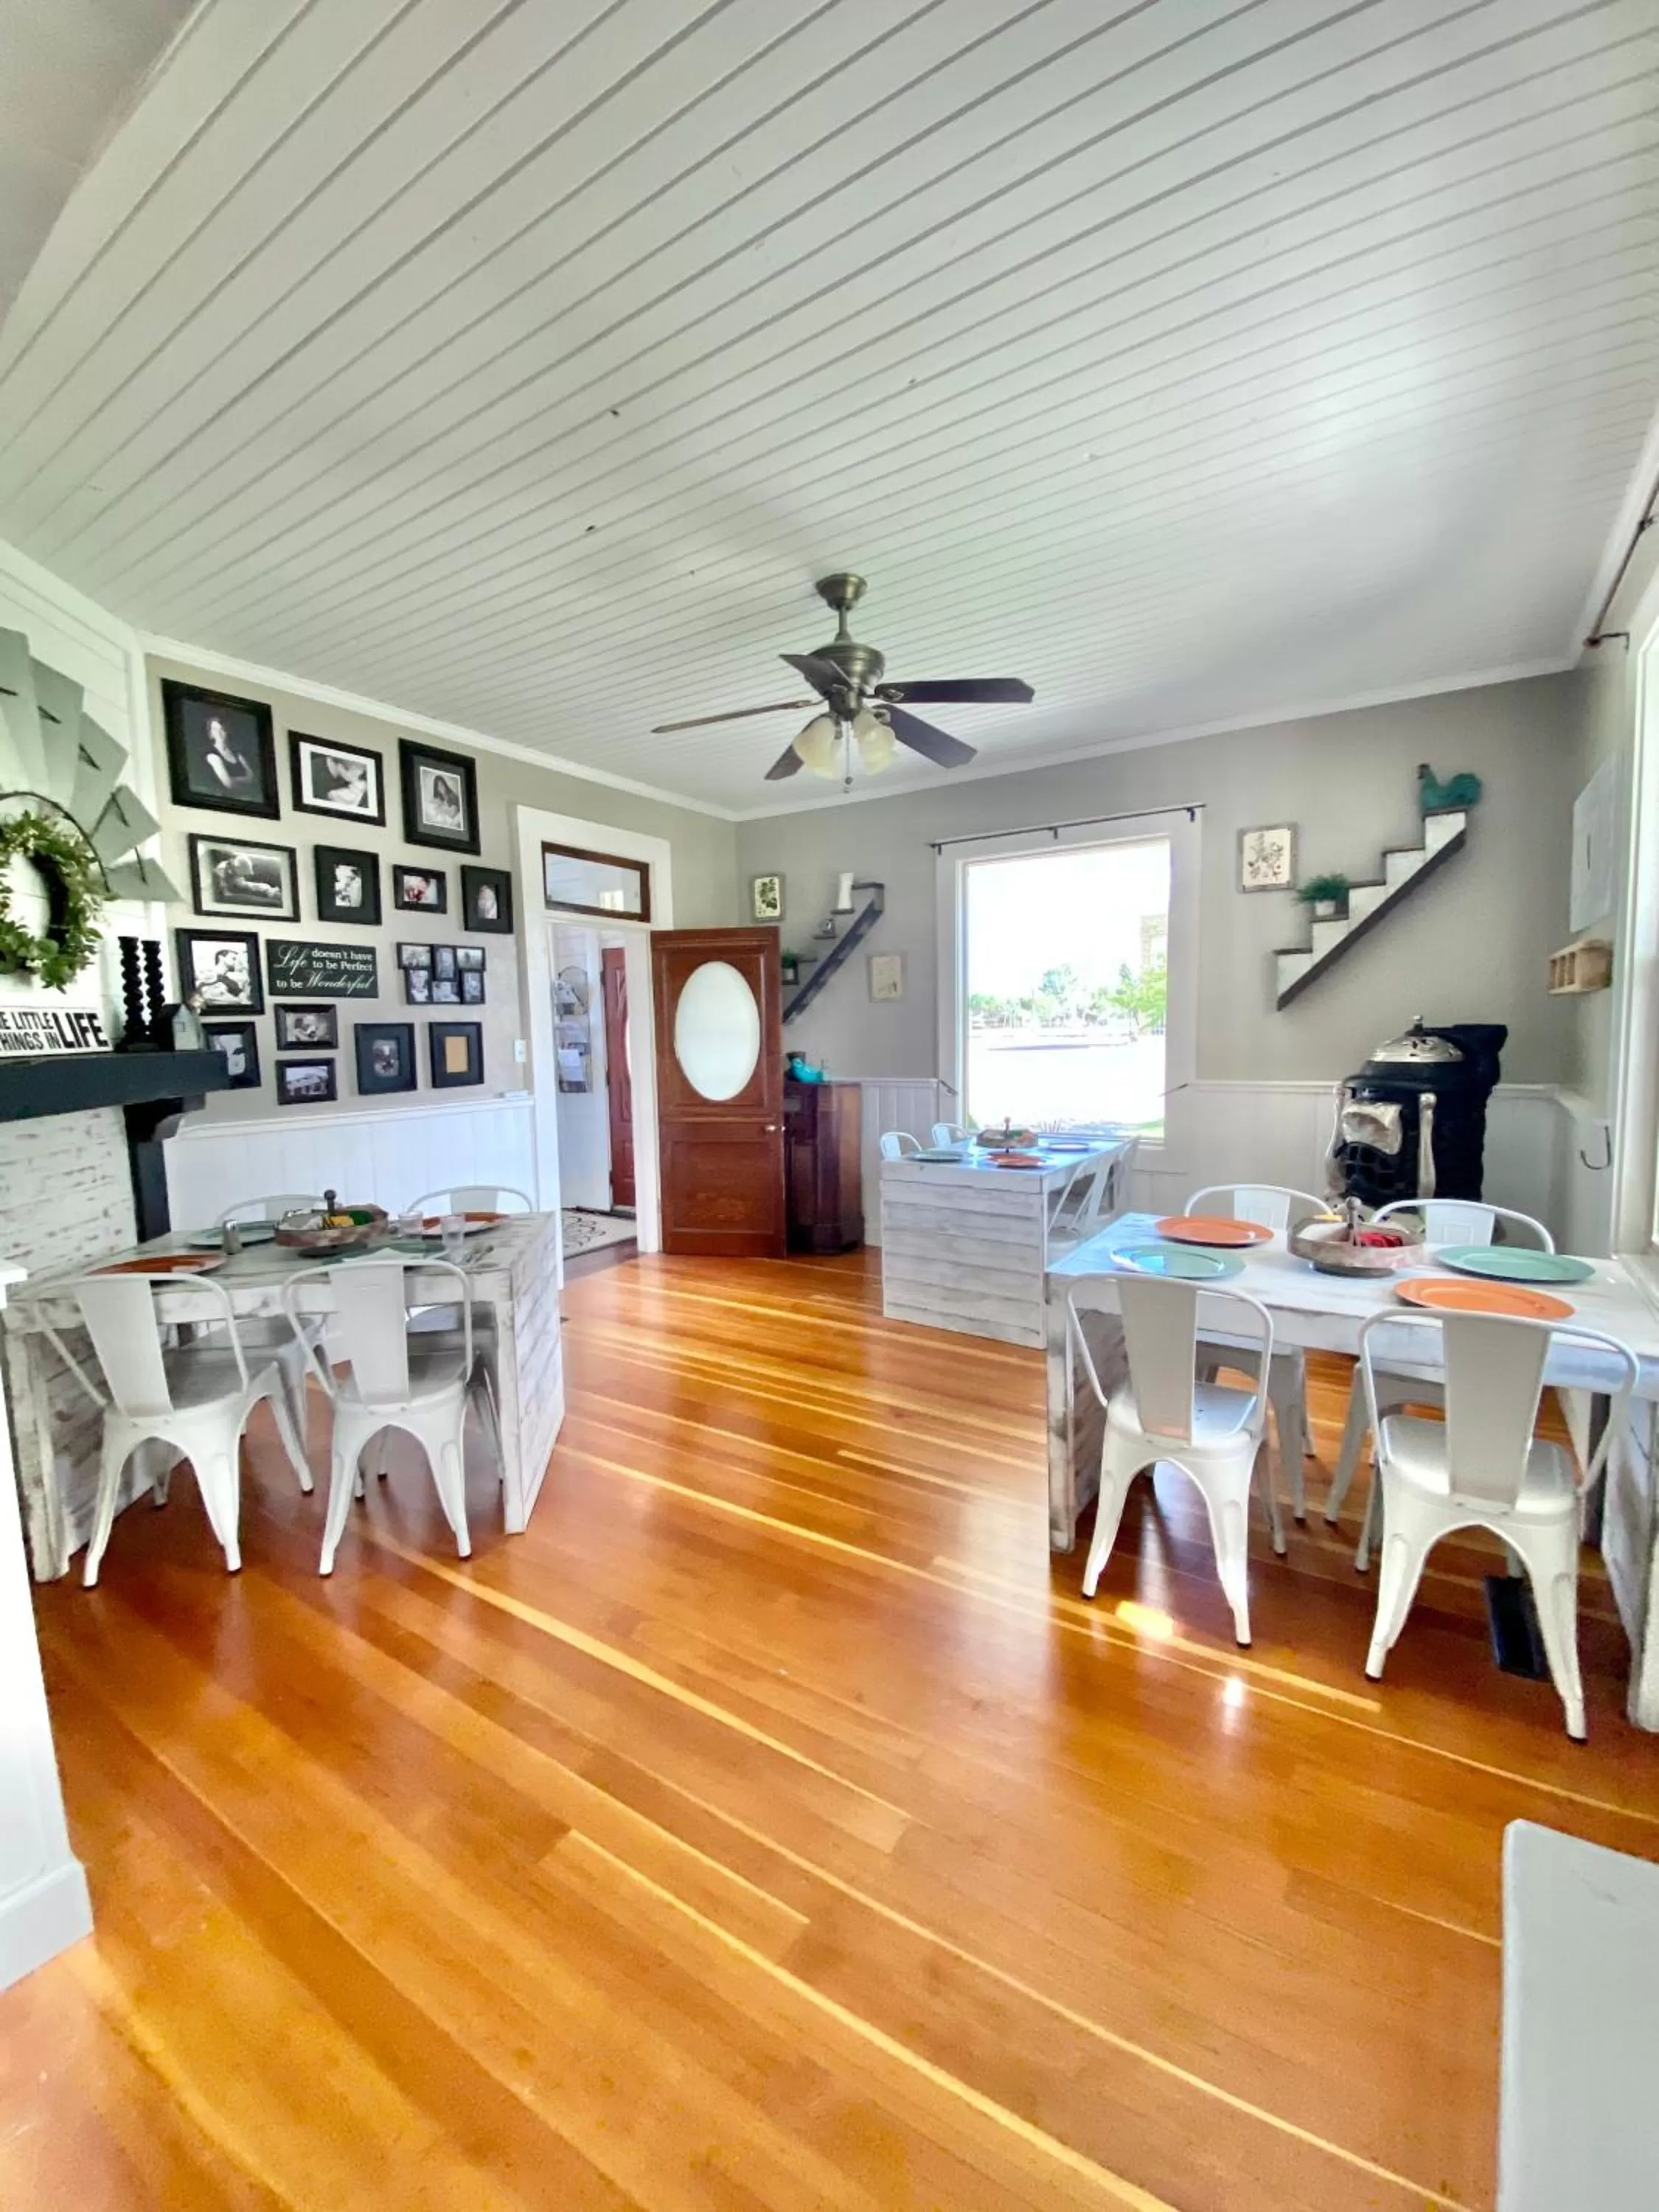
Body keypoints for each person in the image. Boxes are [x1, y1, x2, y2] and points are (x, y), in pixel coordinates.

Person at [199, 715, 257, 798]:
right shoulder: (212, 755)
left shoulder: (238, 755)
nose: (219, 733)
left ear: (226, 732)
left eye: (221, 729)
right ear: (211, 734)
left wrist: (234, 779)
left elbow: (253, 779)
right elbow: (229, 784)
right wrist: (245, 781)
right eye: (215, 730)